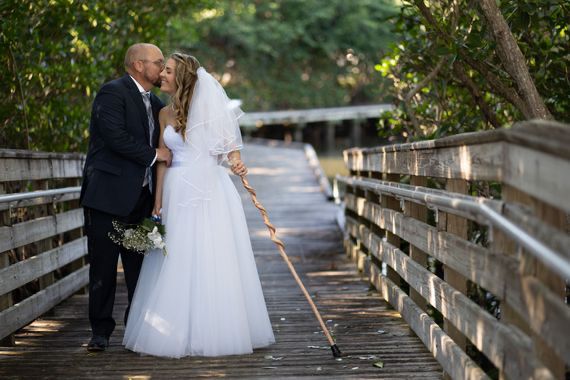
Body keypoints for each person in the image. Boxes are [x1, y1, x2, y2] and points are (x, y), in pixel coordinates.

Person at [123, 53, 275, 358]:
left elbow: (231, 152)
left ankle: (214, 329)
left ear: (181, 78)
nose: (161, 75)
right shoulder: (164, 113)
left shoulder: (211, 111)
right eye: (162, 69)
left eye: (167, 71)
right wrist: (157, 201)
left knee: (210, 254)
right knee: (176, 256)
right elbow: (163, 161)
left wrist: (238, 164)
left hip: (210, 190)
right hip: (176, 191)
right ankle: (176, 330)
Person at [80, 43, 172, 352]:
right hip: (107, 197)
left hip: (141, 200)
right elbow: (115, 138)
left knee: (139, 268)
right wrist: (154, 154)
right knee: (103, 267)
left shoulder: (157, 103)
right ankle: (100, 332)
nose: (162, 68)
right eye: (158, 62)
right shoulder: (112, 92)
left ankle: (136, 329)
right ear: (138, 65)